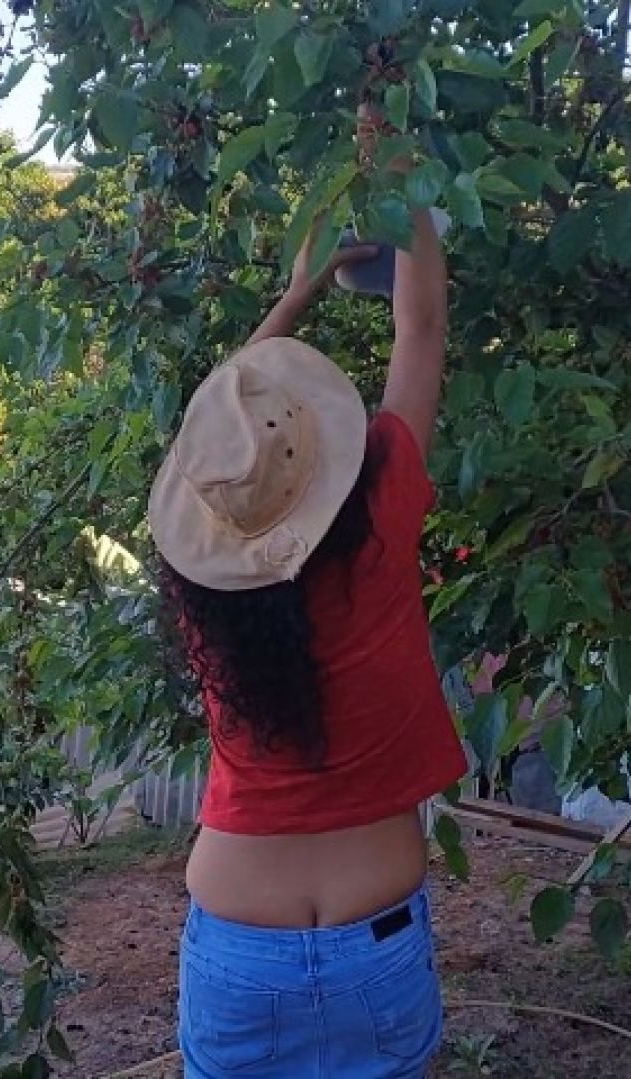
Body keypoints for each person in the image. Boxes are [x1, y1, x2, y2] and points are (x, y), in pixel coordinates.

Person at [147, 183, 464, 1078]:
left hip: (237, 949)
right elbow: (422, 329)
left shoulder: (202, 589)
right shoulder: (385, 515)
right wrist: (399, 171)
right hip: (378, 934)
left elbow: (220, 460)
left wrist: (291, 296)